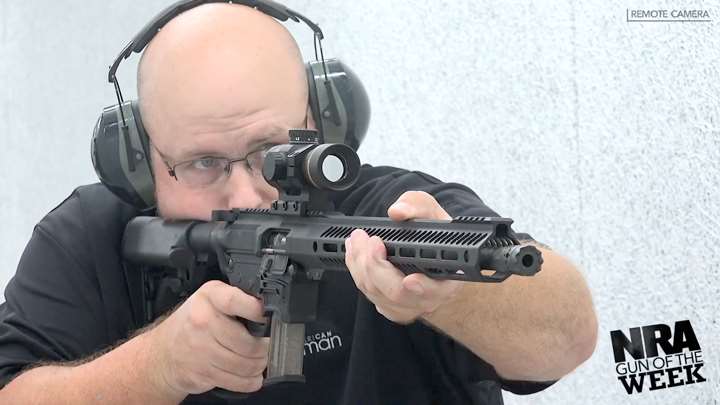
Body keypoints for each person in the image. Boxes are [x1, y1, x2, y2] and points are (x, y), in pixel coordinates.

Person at [0, 3, 597, 404]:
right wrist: (157, 367)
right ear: (136, 161)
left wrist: (452, 298)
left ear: (321, 121)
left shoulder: (390, 213)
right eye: (204, 164)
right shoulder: (90, 239)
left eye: (271, 151)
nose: (246, 192)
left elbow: (567, 334)